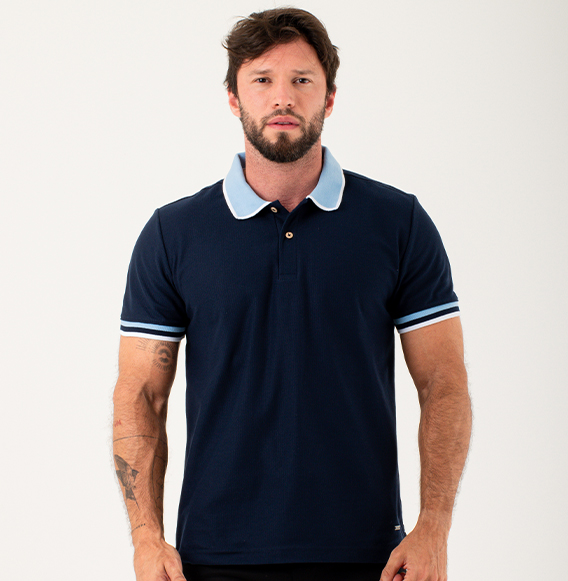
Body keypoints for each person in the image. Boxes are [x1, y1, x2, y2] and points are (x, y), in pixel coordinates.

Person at [113, 7, 472, 581]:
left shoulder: (398, 223)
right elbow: (141, 395)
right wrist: (146, 539)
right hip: (211, 559)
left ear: (329, 98)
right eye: (262, 80)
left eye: (302, 80)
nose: (283, 97)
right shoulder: (173, 235)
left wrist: (434, 527)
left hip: (371, 559)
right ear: (233, 98)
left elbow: (443, 382)